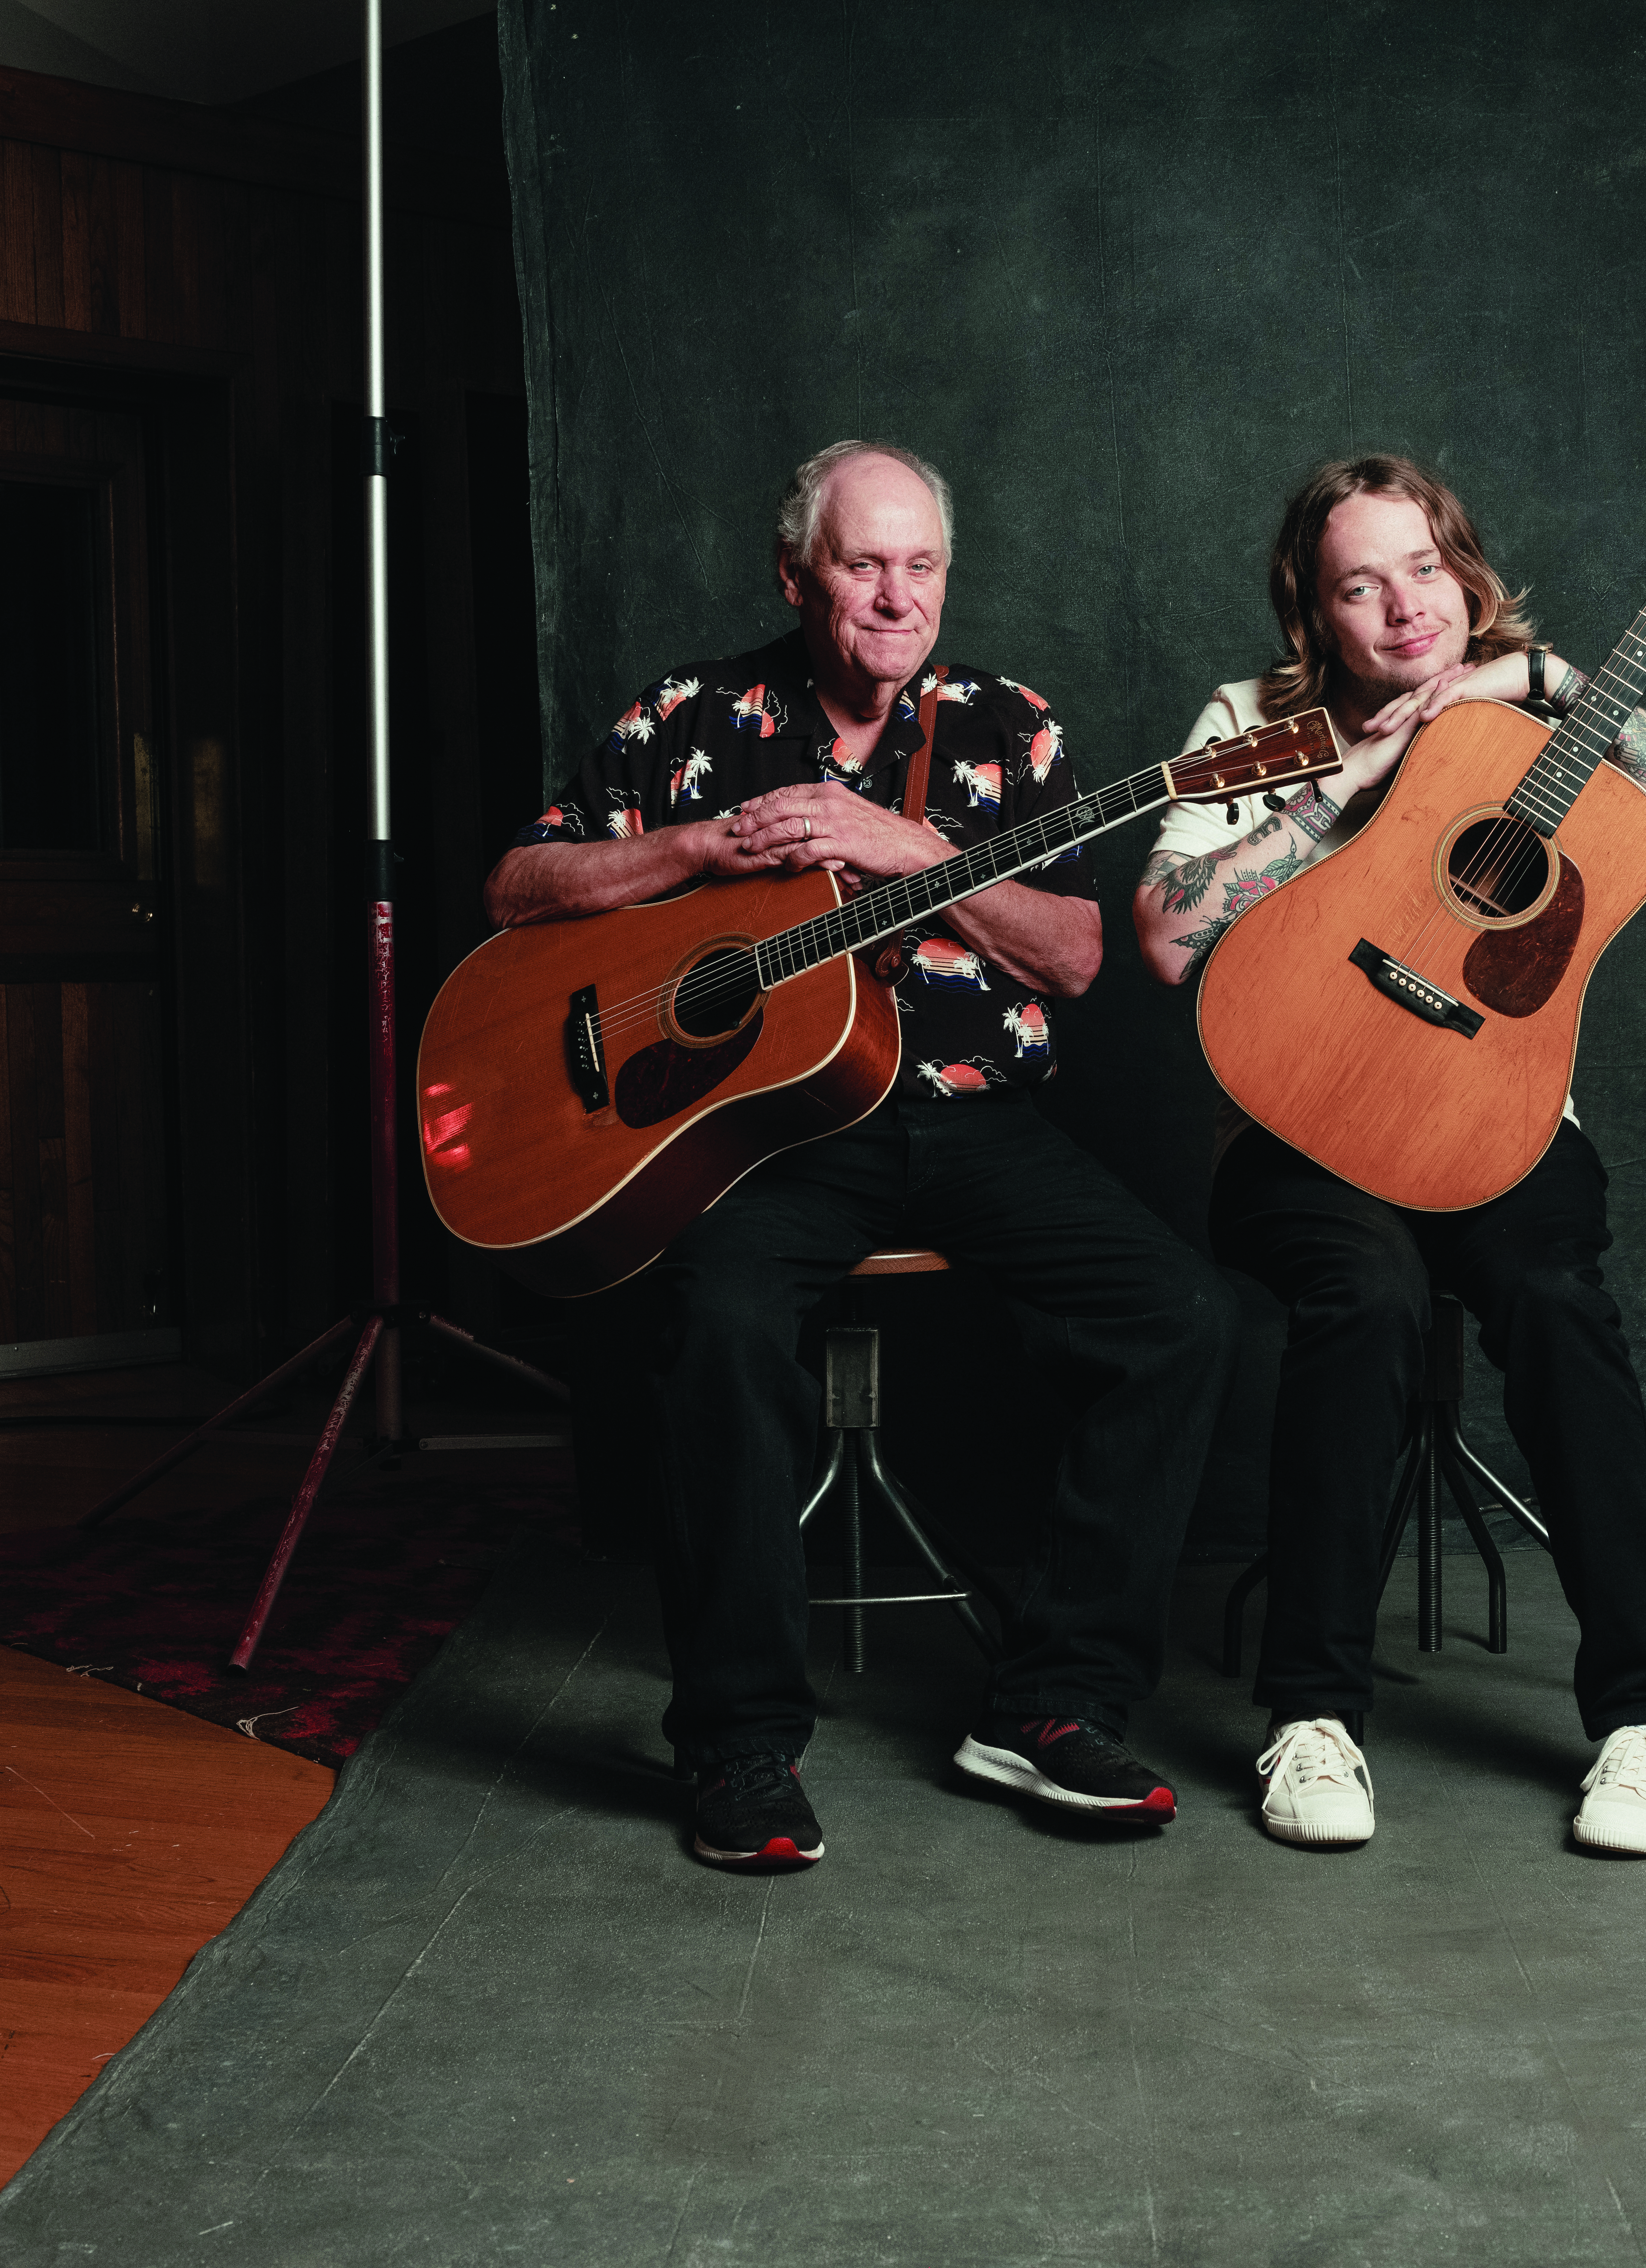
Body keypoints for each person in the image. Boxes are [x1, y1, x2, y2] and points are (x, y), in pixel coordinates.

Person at [488, 440, 1235, 1870]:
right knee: (719, 1319)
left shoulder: (1008, 728)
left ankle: (1055, 1703)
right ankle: (740, 1744)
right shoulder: (691, 717)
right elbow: (520, 885)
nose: (896, 596)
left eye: (921, 566)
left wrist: (906, 849)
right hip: (766, 1142)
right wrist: (697, 850)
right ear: (797, 573)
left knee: (1179, 1314)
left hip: (970, 1119)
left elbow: (1079, 958)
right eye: (861, 563)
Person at [1131, 455, 1646, 1858]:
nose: (1403, 610)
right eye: (1359, 584)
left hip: (1499, 1114)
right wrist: (1347, 780)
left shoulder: (1543, 703)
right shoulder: (1256, 721)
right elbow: (1170, 933)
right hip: (1303, 1118)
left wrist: (1539, 687)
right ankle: (1313, 1719)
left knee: (1551, 1299)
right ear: (1313, 611)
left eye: (1422, 568)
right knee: (1368, 1302)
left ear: (1462, 567)